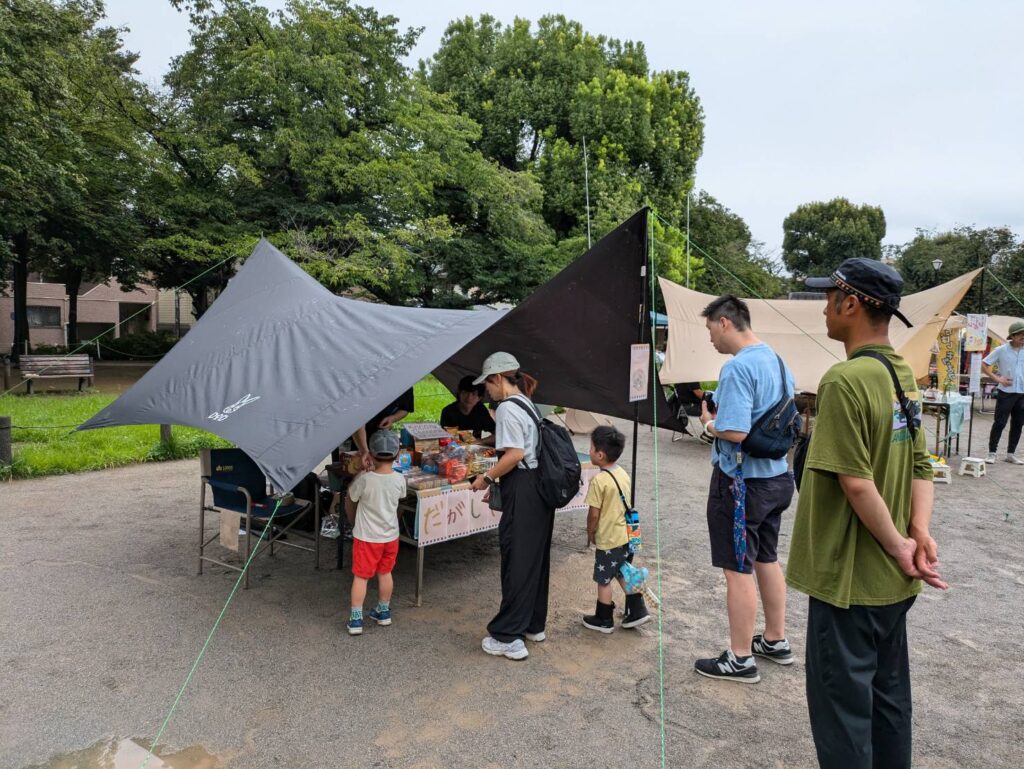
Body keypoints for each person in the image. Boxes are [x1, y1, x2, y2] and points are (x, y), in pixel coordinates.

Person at [787, 257, 948, 768]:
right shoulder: (901, 372)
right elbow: (922, 464)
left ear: (851, 303)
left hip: (847, 581)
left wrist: (902, 545)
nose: (825, 310)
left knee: (842, 720)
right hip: (891, 585)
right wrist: (917, 532)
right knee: (888, 705)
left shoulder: (844, 380)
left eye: (829, 299)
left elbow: (856, 485)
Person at [693, 294, 796, 684]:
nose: (711, 341)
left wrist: (708, 425)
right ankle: (775, 639)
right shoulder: (778, 360)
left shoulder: (736, 368)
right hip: (777, 478)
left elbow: (735, 431)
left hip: (741, 482)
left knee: (738, 569)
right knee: (767, 558)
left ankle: (739, 659)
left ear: (724, 323)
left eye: (710, 330)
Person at [468, 352, 553, 661]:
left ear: (498, 379)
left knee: (517, 558)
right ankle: (532, 623)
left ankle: (508, 637)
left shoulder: (506, 407)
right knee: (534, 558)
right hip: (538, 488)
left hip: (524, 487)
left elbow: (515, 454)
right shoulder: (527, 402)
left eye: (487, 385)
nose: (486, 392)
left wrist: (487, 477)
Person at [582, 425, 650, 632]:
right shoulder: (622, 473)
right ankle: (638, 610)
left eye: (591, 448)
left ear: (600, 455)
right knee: (622, 570)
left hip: (609, 538)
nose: (590, 451)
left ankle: (604, 619)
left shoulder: (599, 481)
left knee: (603, 579)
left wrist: (590, 532)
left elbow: (594, 514)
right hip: (625, 534)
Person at [344, 429, 407, 636]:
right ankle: (383, 611)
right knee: (385, 573)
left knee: (361, 577)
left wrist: (361, 472)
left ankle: (356, 619)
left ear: (369, 455)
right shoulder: (400, 480)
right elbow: (401, 500)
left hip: (366, 537)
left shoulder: (365, 480)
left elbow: (351, 498)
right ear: (398, 455)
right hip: (390, 537)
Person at [982, 319, 1024, 464]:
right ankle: (992, 453)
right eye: (1020, 334)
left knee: (1018, 424)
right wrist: (998, 379)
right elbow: (985, 364)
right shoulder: (1001, 350)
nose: (1023, 337)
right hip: (1006, 392)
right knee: (1000, 422)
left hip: (1022, 393)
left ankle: (1010, 454)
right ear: (1012, 336)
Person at [440, 375, 497, 440]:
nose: (469, 398)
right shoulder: (448, 412)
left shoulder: (481, 410)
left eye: (473, 394)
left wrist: (480, 441)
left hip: (476, 448)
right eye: (465, 392)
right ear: (459, 393)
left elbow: (497, 433)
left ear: (479, 398)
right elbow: (447, 438)